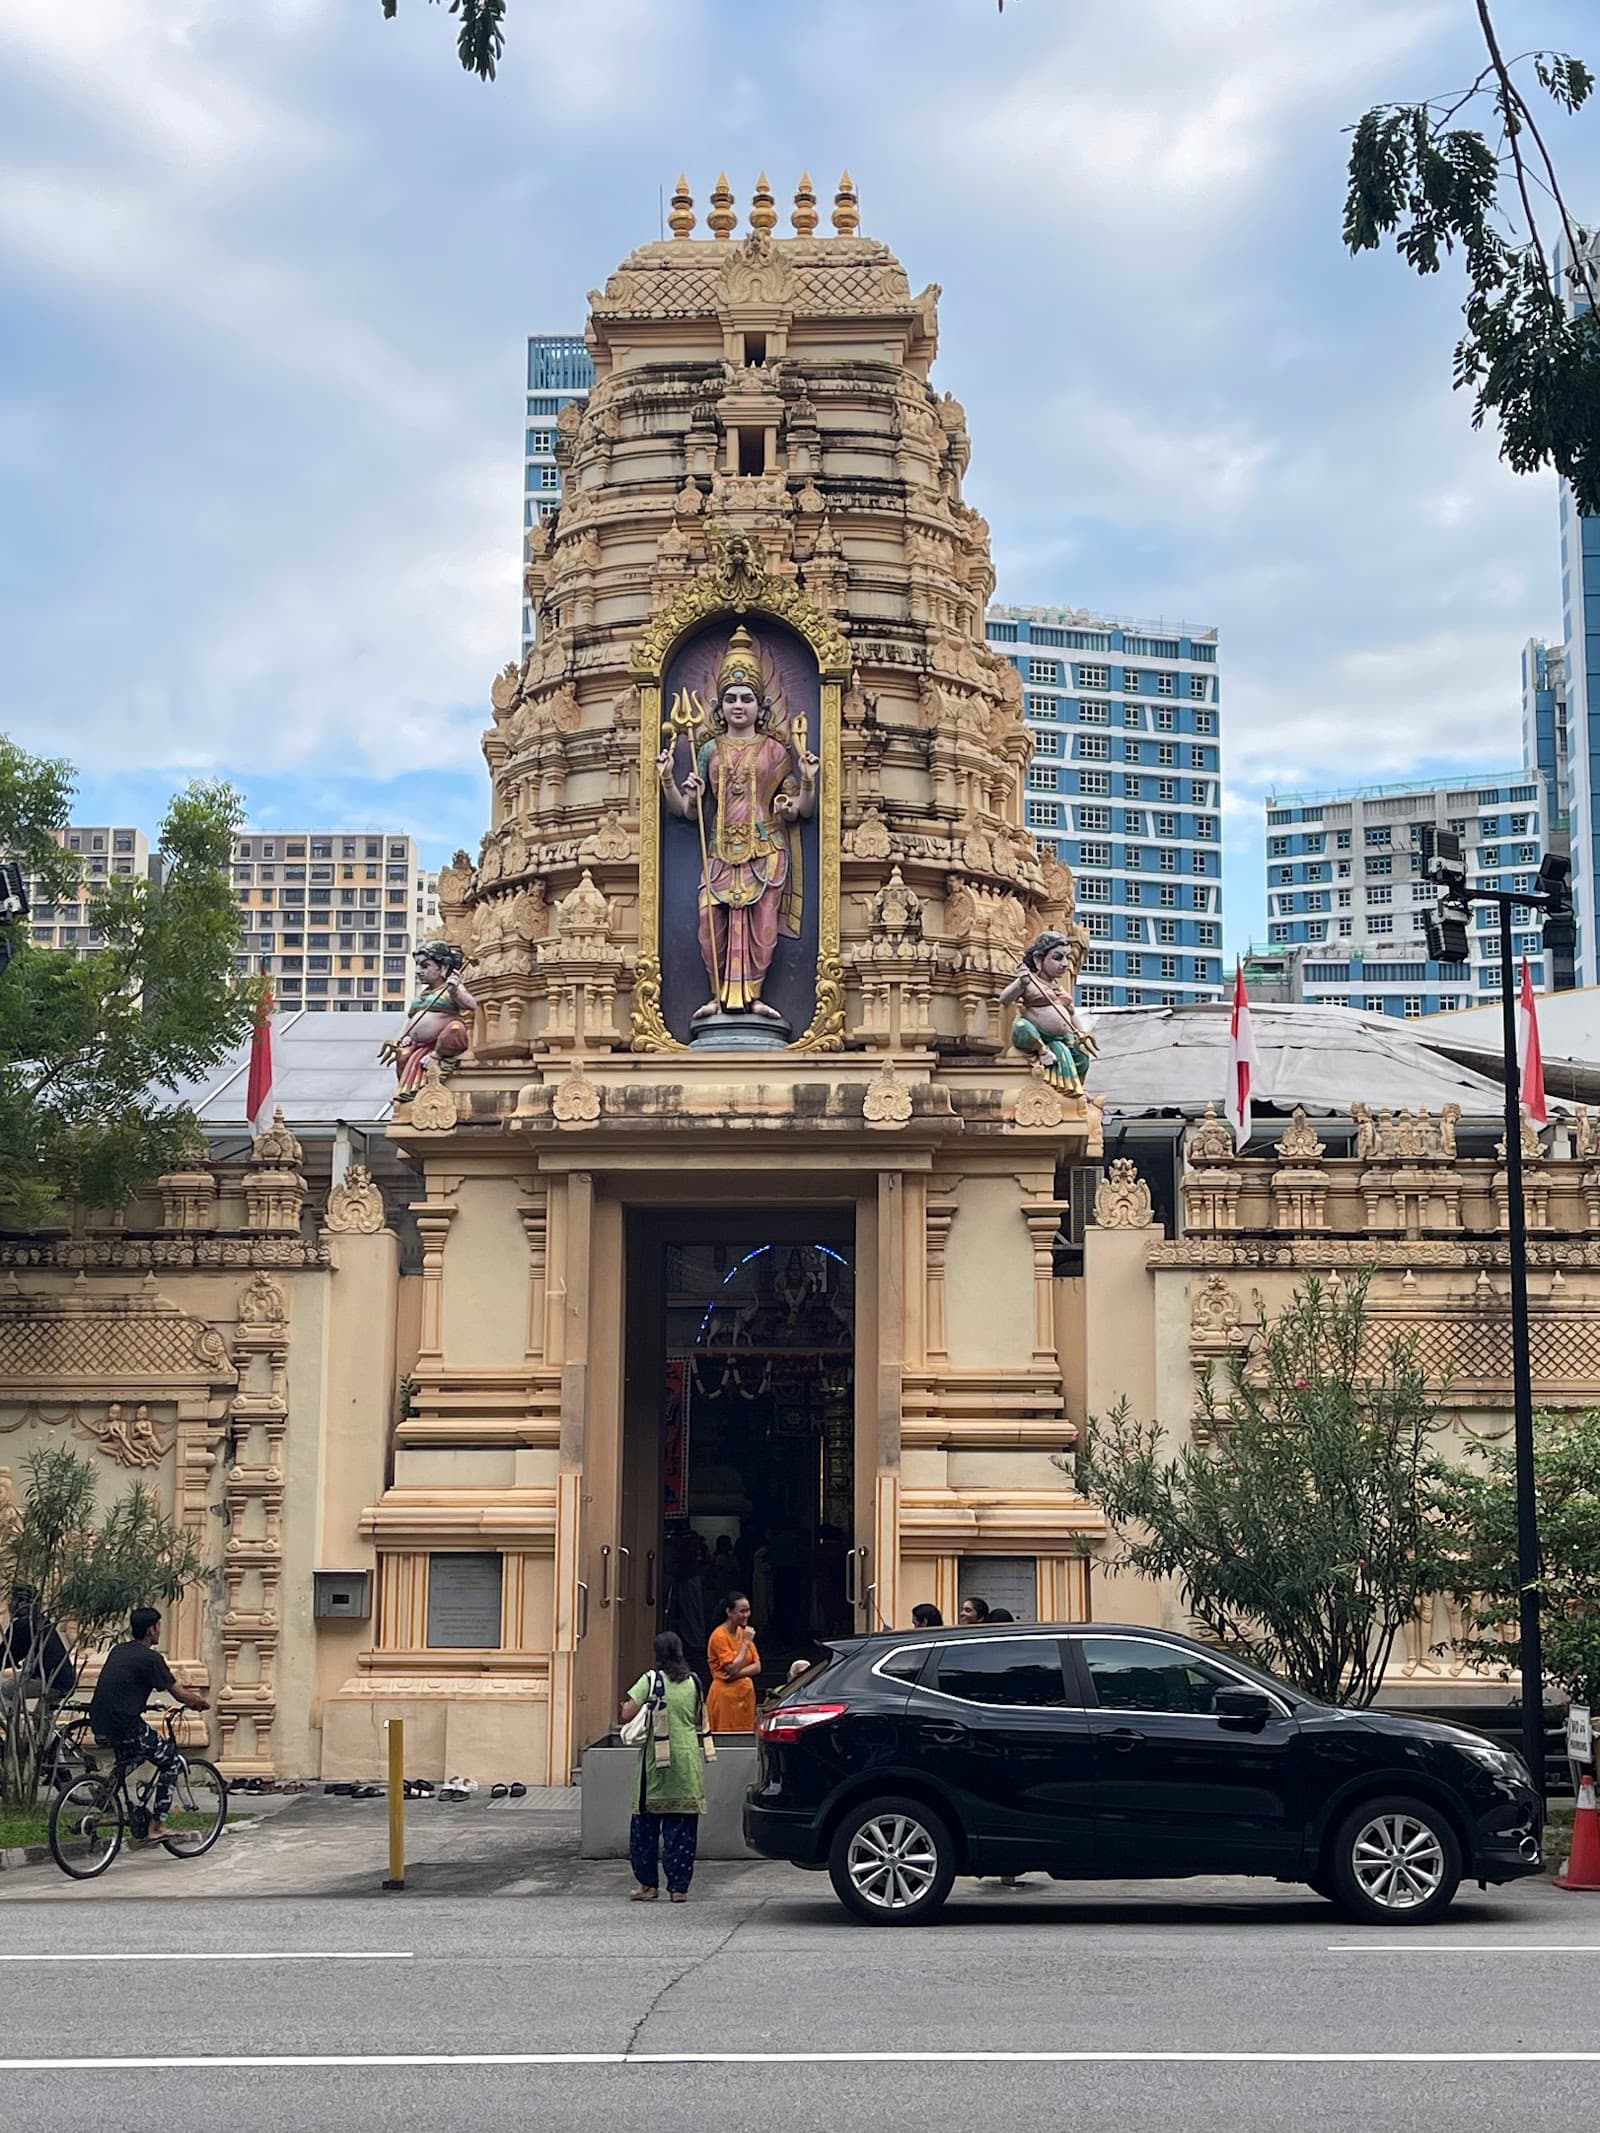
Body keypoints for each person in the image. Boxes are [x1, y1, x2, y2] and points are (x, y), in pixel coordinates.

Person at [656, 625, 820, 1022]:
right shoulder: (708, 749)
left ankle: (754, 997)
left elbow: (801, 808)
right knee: (708, 922)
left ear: (761, 706)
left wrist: (809, 780)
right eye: (731, 698)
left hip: (766, 850)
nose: (739, 705)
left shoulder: (777, 750)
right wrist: (666, 779)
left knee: (762, 928)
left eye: (747, 698)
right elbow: (688, 811)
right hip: (719, 852)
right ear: (720, 705)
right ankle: (719, 996)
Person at [85, 1608, 210, 1842]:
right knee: (171, 1763)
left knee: (131, 1756)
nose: (160, 1630)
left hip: (100, 1719)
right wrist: (198, 1703)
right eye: (159, 1626)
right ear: (152, 1628)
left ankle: (105, 1794)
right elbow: (178, 1692)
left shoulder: (119, 1650)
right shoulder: (152, 1658)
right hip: (126, 1722)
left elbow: (122, 1686)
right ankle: (157, 1826)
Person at [620, 1631, 709, 1904]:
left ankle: (648, 1885)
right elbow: (696, 1717)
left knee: (645, 1829)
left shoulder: (650, 1680)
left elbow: (627, 1714)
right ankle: (679, 1888)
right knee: (681, 1830)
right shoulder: (694, 1682)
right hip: (687, 1761)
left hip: (657, 1763)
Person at [1000, 930, 1097, 1092]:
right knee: (1022, 1027)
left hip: (1063, 1036)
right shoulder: (1029, 980)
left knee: (1082, 1056)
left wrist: (1082, 1033)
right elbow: (1004, 999)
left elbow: (1071, 1014)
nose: (1065, 963)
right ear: (1038, 959)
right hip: (1036, 1037)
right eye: (1057, 958)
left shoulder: (1057, 986)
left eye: (1067, 957)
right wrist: (1021, 984)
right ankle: (1043, 1052)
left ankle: (1077, 1088)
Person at [0, 1586, 75, 1738]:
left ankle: (16, 1738)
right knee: (41, 1719)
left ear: (20, 1602)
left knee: (3, 1691)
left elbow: (7, 1655)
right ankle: (54, 1753)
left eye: (12, 1599)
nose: (9, 1604)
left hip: (50, 1681)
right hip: (64, 1679)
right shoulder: (40, 1621)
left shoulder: (24, 1625)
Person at [705, 1592, 761, 1731]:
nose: (746, 1615)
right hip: (725, 1697)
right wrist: (746, 1643)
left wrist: (737, 1675)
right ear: (729, 1612)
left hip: (745, 1696)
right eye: (742, 1611)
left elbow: (757, 1666)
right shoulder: (719, 1636)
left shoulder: (743, 1632)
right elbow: (731, 1668)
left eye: (748, 1610)